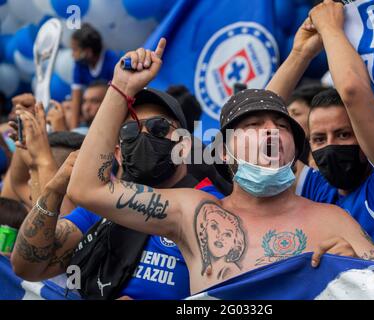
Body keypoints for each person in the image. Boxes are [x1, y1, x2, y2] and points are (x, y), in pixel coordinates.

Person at [67, 38, 374, 295]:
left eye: (281, 124)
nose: (270, 131)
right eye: (252, 125)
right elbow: (87, 187)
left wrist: (361, 278)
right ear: (222, 152)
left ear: (295, 151)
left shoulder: (333, 221)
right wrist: (121, 89)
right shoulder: (194, 215)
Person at [11, 88, 223, 300]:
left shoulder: (212, 211)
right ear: (118, 154)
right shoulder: (102, 204)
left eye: (158, 127)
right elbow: (28, 267)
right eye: (130, 131)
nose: (143, 136)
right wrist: (54, 188)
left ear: (184, 145)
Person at [266, 0, 374, 261]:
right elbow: (253, 134)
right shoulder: (320, 190)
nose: (330, 146)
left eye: (343, 134)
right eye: (319, 138)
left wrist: (331, 28)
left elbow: (353, 92)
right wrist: (300, 54)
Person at [70, 23, 119, 130]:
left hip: (110, 112)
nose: (72, 55)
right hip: (90, 112)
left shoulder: (113, 62)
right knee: (67, 108)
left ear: (88, 52)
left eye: (75, 50)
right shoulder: (79, 65)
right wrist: (73, 132)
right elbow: (76, 99)